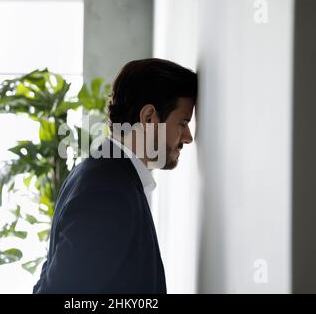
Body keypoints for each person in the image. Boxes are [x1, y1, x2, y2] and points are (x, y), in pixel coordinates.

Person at [33, 58, 197, 293]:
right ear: (149, 117)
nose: (188, 137)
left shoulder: (101, 175)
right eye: (183, 122)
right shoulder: (107, 190)